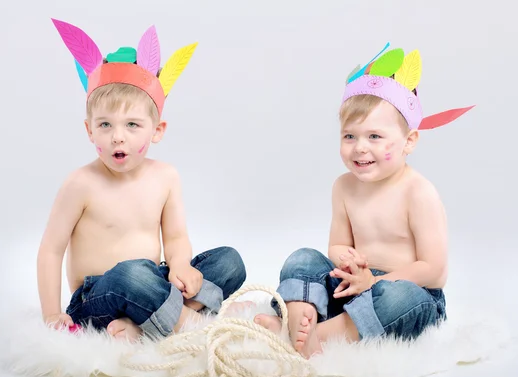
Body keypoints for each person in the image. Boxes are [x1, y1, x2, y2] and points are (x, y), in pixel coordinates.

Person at [254, 44, 475, 358]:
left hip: (407, 291)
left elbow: (435, 270)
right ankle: (300, 317)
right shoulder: (343, 187)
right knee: (303, 258)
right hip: (353, 285)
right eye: (349, 136)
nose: (359, 148)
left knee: (401, 298)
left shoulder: (418, 192)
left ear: (409, 141)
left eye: (374, 137)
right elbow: (337, 246)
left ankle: (321, 335)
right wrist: (348, 261)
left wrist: (372, 280)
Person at [37, 19, 247, 342]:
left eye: (132, 125)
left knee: (230, 262)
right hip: (99, 296)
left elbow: (176, 237)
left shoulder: (166, 177)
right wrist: (52, 313)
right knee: (132, 273)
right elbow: (51, 250)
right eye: (105, 125)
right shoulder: (80, 183)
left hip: (155, 282)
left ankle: (144, 327)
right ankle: (190, 320)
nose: (117, 137)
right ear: (89, 129)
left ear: (157, 130)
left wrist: (179, 265)